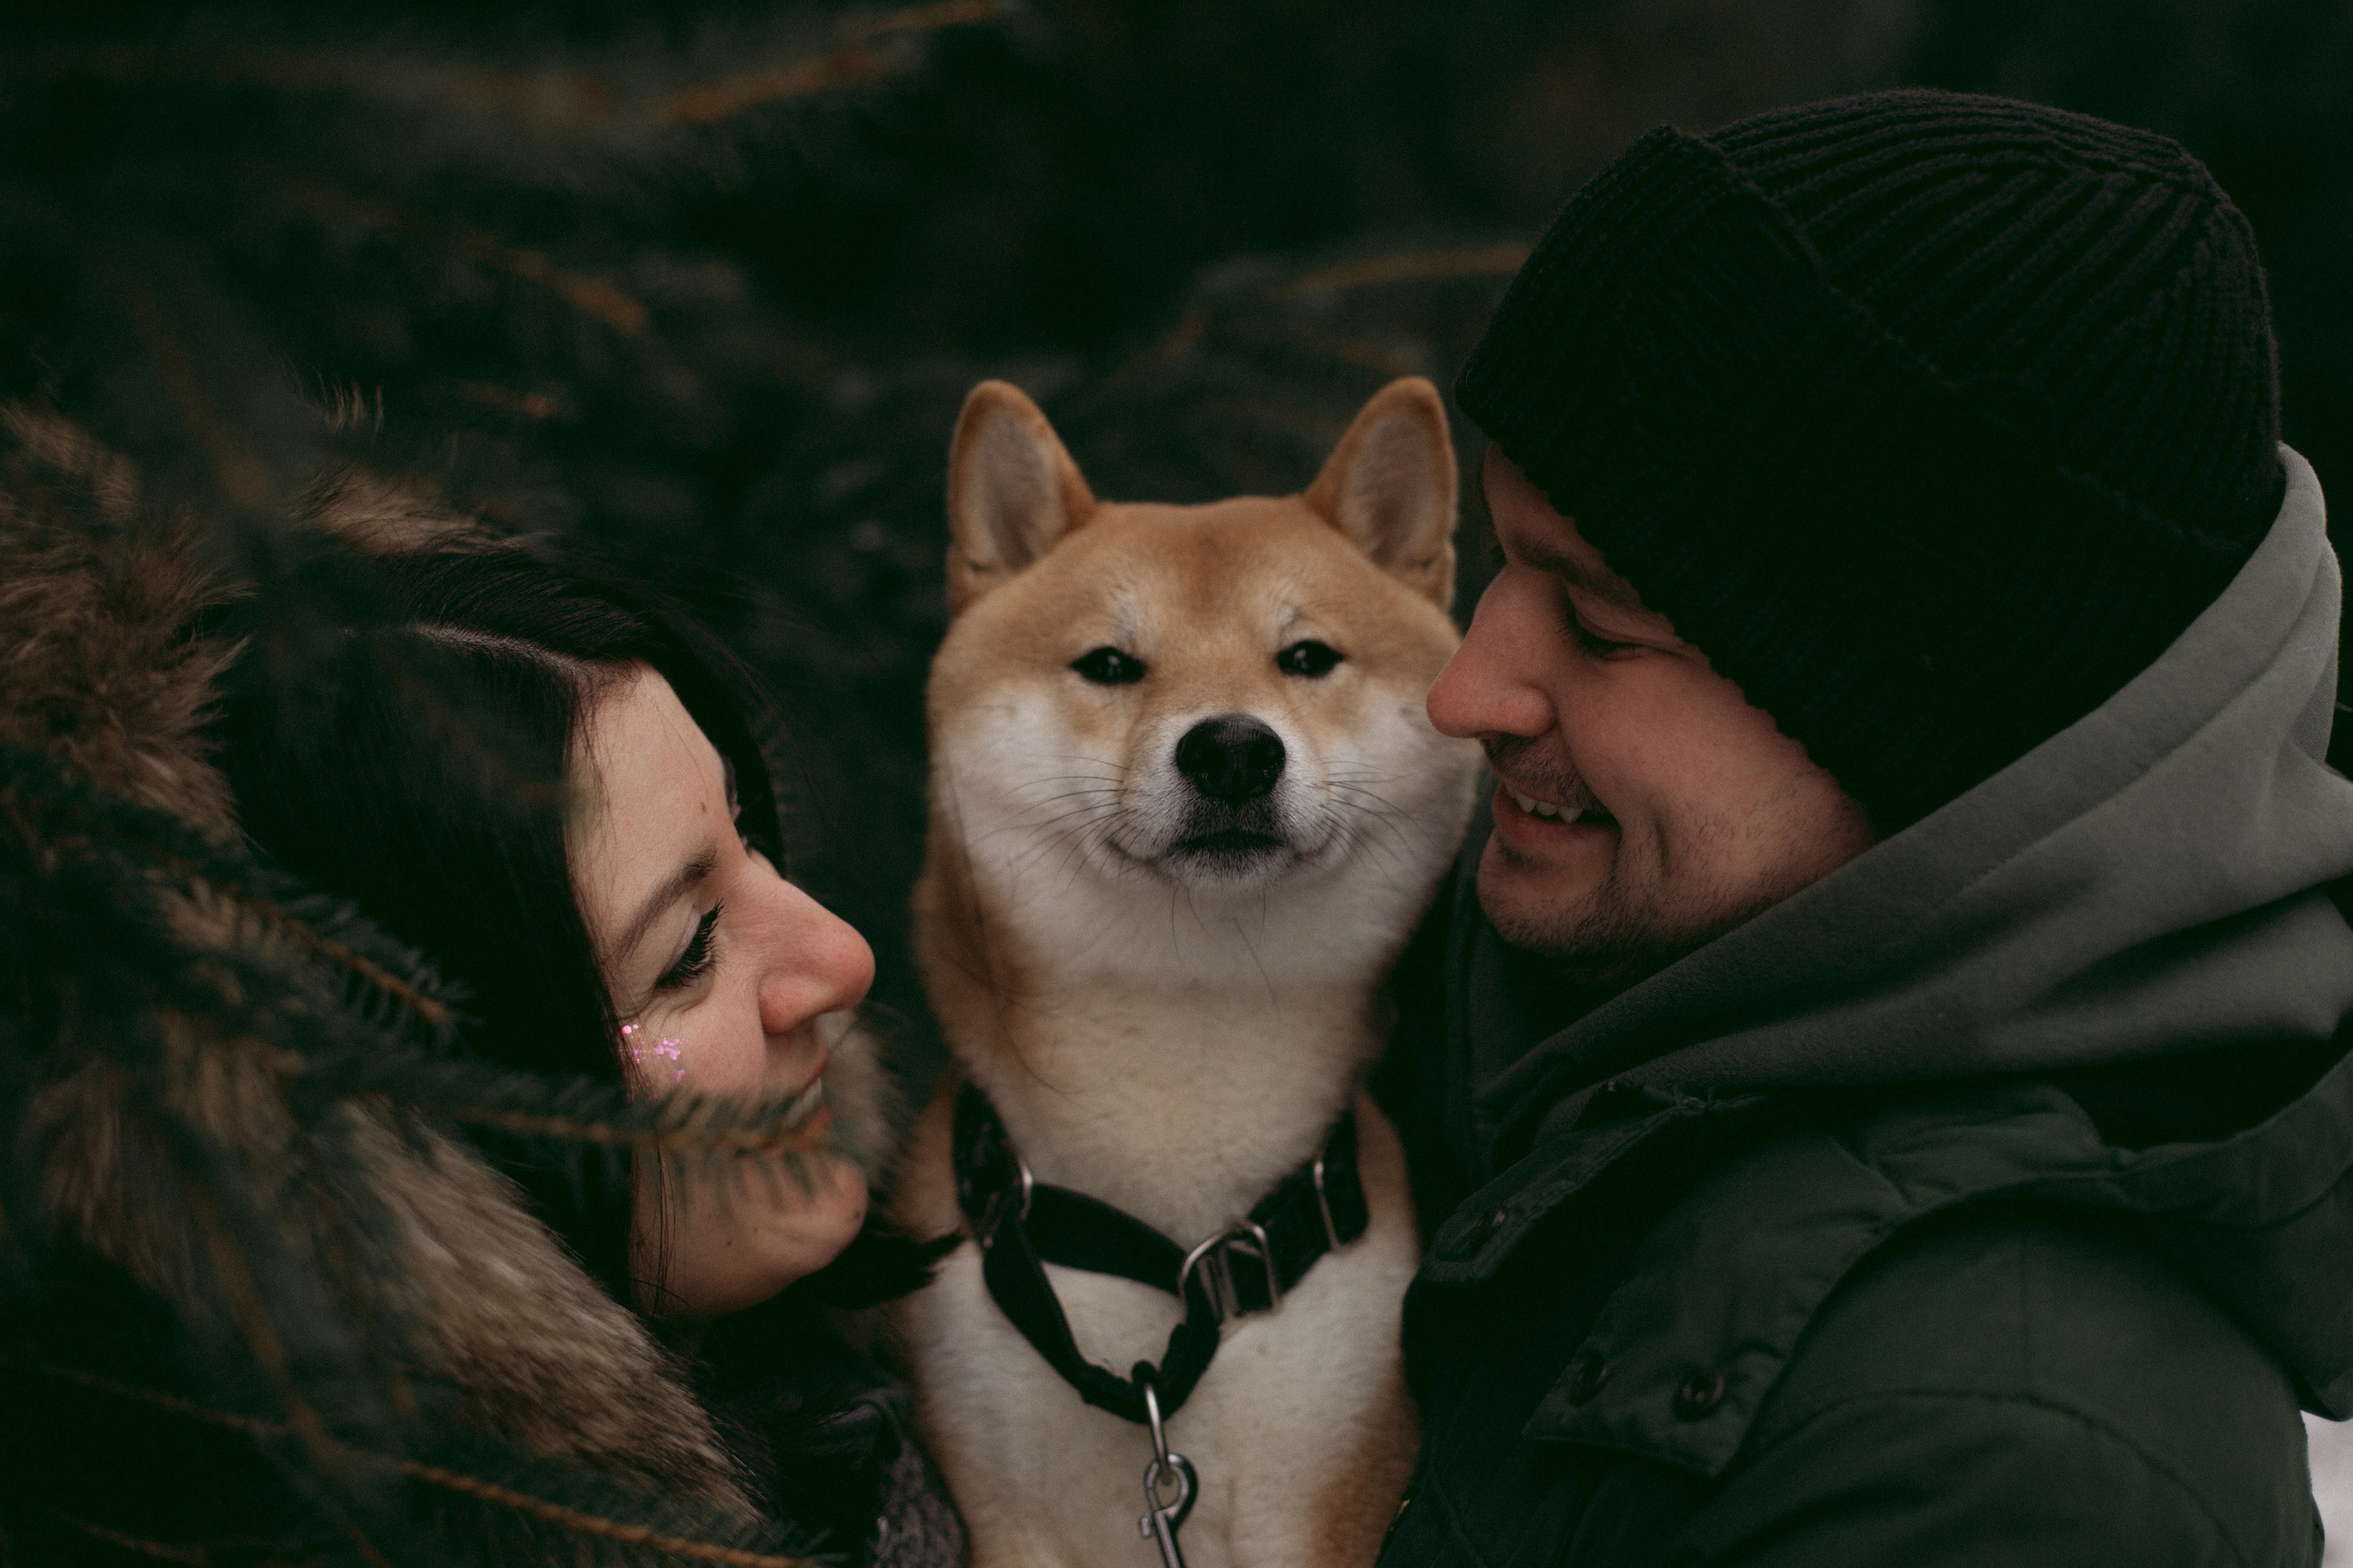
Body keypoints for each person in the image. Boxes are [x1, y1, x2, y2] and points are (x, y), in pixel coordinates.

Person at [1372, 88, 2353, 1565]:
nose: (1463, 692)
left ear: (1931, 736)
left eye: (1603, 624)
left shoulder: (2006, 1465)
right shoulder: (1552, 972)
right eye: (1501, 564)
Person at [214, 544, 963, 1566]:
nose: (842, 956)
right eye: (690, 949)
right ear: (455, 1139)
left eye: (748, 834)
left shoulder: (897, 1435)